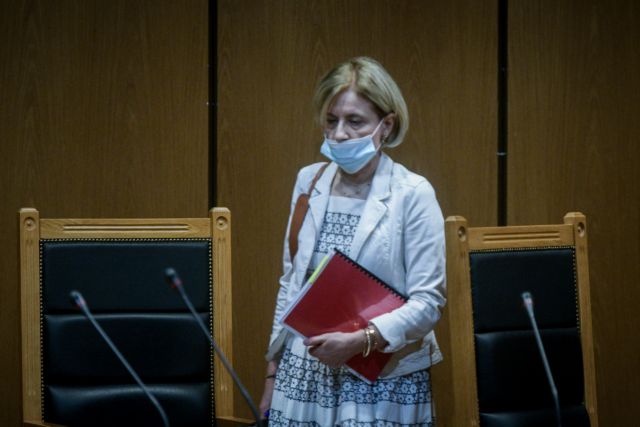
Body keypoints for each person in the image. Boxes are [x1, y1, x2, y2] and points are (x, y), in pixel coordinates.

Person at [259, 57, 446, 426]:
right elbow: (291, 283)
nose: (339, 134)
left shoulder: (412, 193)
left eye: (355, 121)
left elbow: (428, 303)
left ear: (386, 125)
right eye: (331, 120)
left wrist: (361, 340)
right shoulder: (309, 181)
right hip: (304, 374)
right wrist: (272, 374)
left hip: (382, 378)